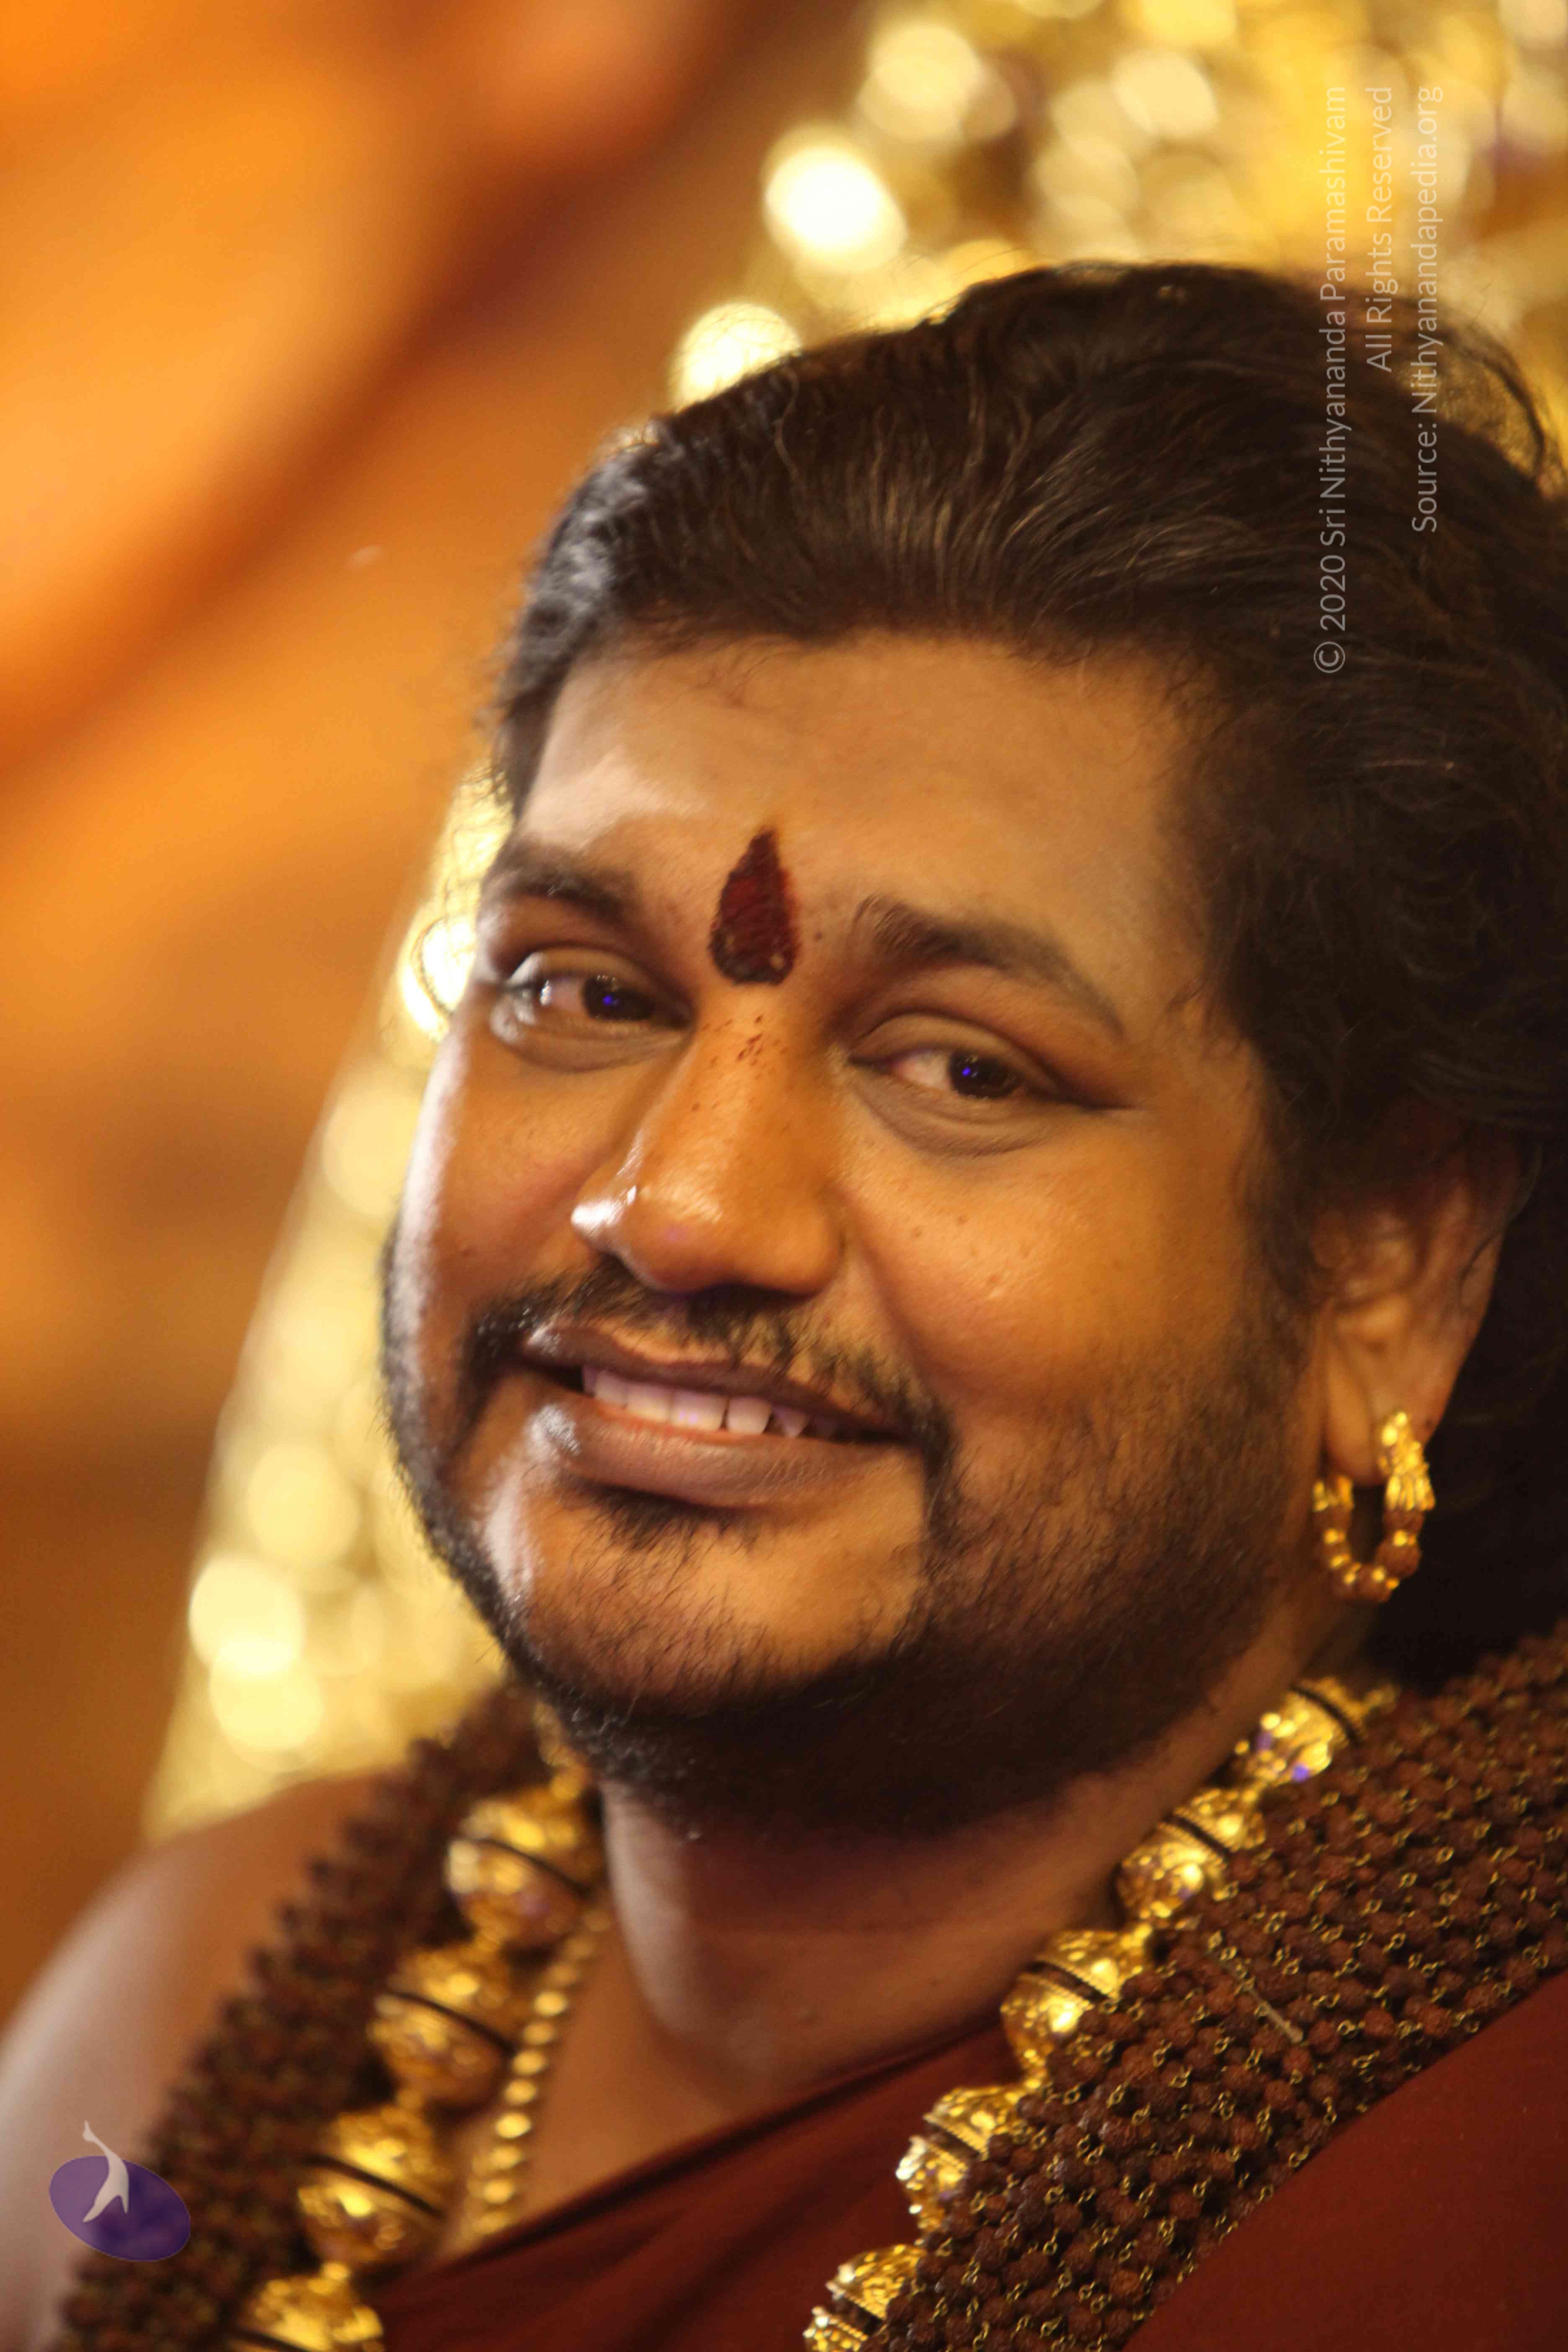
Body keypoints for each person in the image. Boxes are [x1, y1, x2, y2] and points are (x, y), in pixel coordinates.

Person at [5, 260, 1568, 2352]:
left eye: (961, 1067)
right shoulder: (195, 2030)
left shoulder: (1483, 2203)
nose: (677, 1207)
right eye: (584, 991)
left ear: (1390, 1259)